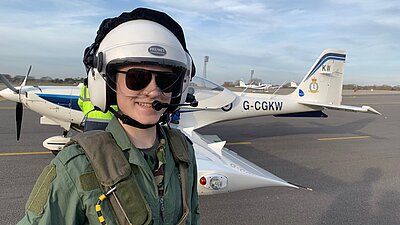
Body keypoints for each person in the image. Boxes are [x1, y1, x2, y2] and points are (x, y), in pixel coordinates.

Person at [18, 7, 200, 225]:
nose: (153, 91)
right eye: (137, 78)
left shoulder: (182, 152)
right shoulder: (77, 165)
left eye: (166, 79)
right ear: (108, 83)